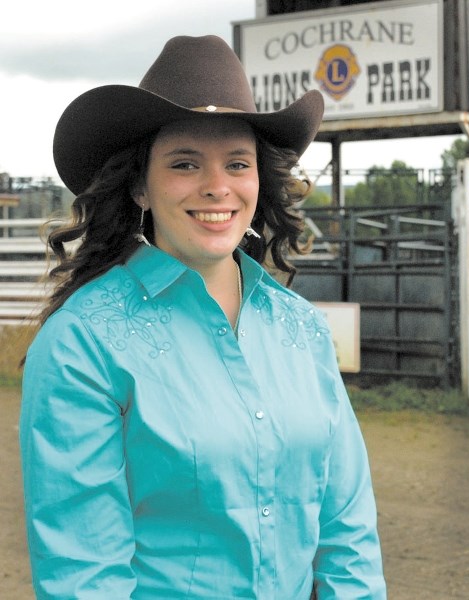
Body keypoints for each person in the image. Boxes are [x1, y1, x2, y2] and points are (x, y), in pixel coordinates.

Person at [19, 35, 386, 599]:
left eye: (237, 163)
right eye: (185, 163)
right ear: (140, 184)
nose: (217, 186)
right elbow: (85, 576)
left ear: (258, 180)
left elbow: (347, 529)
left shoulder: (302, 331)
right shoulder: (82, 344)